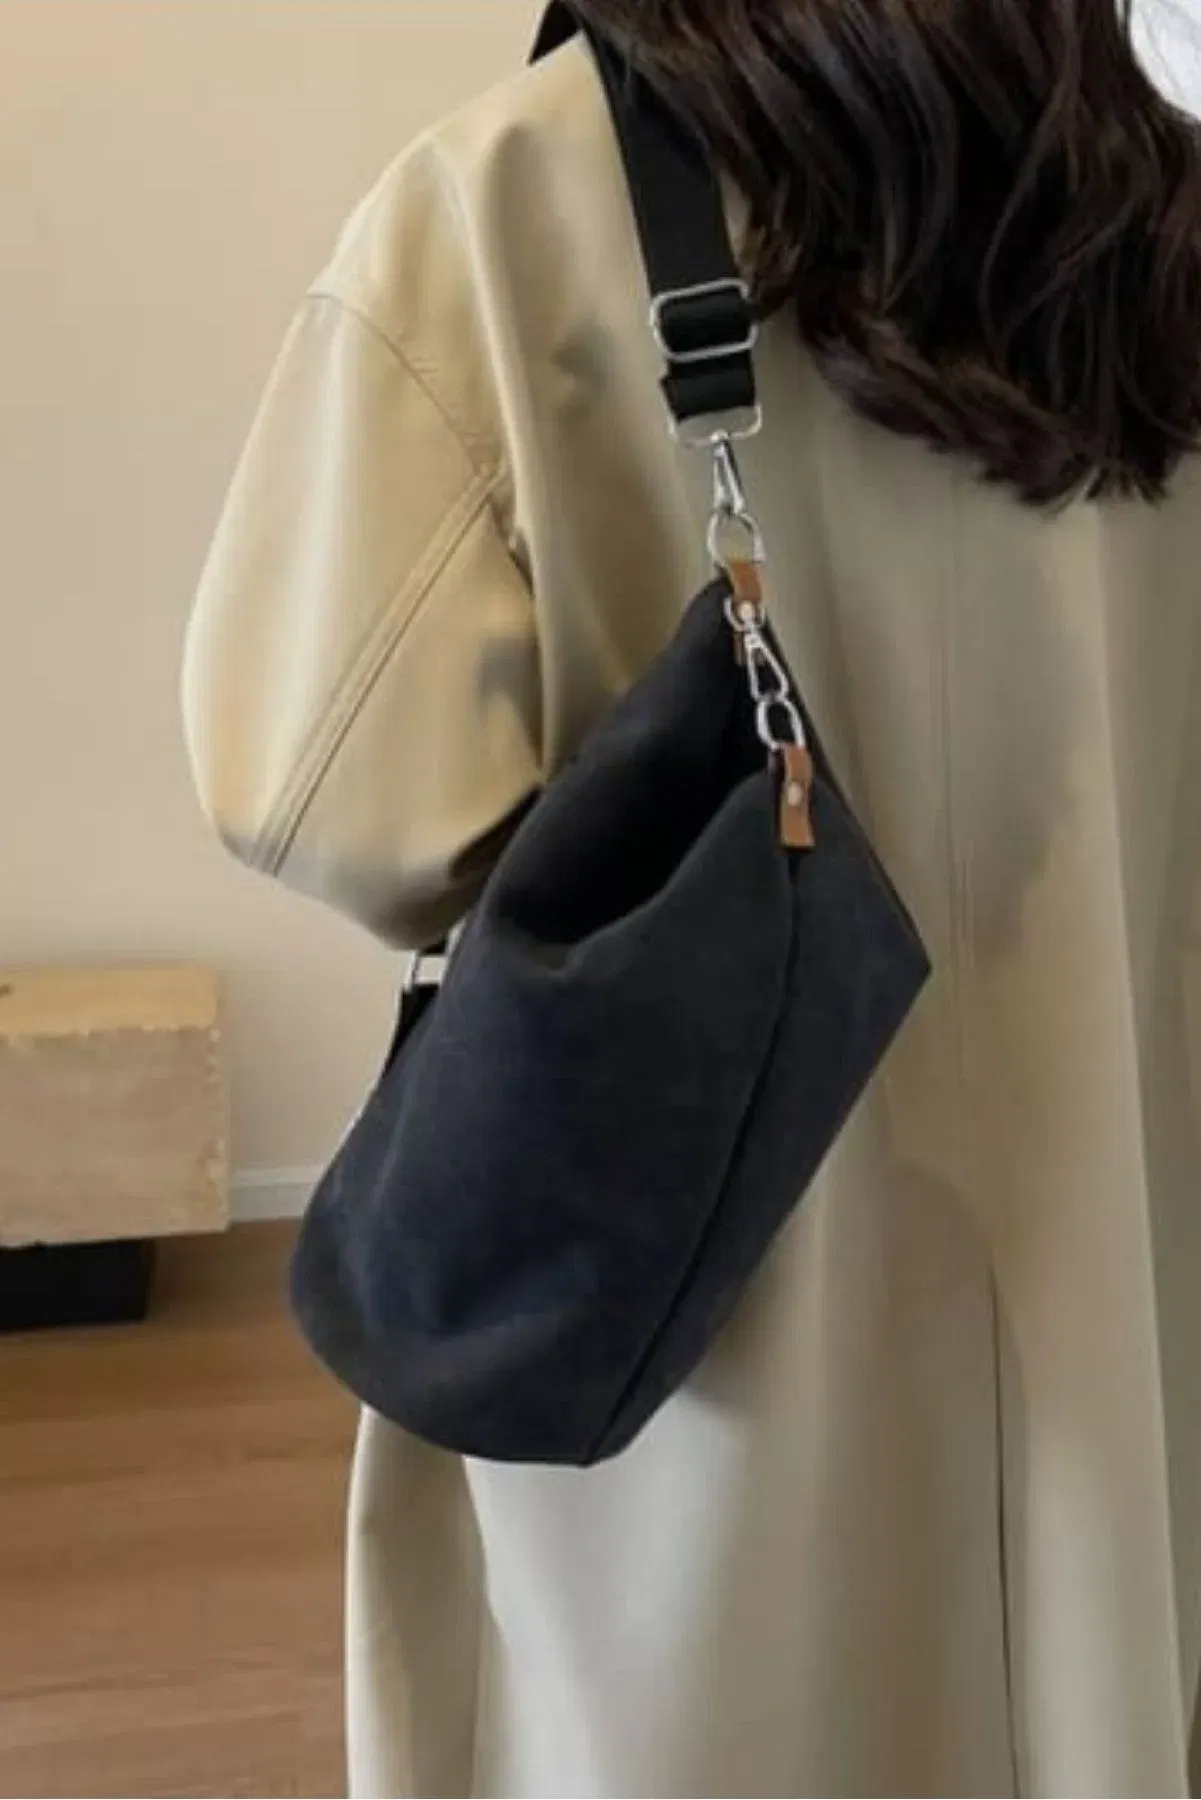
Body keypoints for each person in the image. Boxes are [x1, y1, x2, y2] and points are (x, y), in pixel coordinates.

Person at [182, 2, 1201, 1793]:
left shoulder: (508, 201)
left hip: (702, 1303)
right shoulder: (1156, 207)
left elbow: (329, 795)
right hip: (1122, 1267)